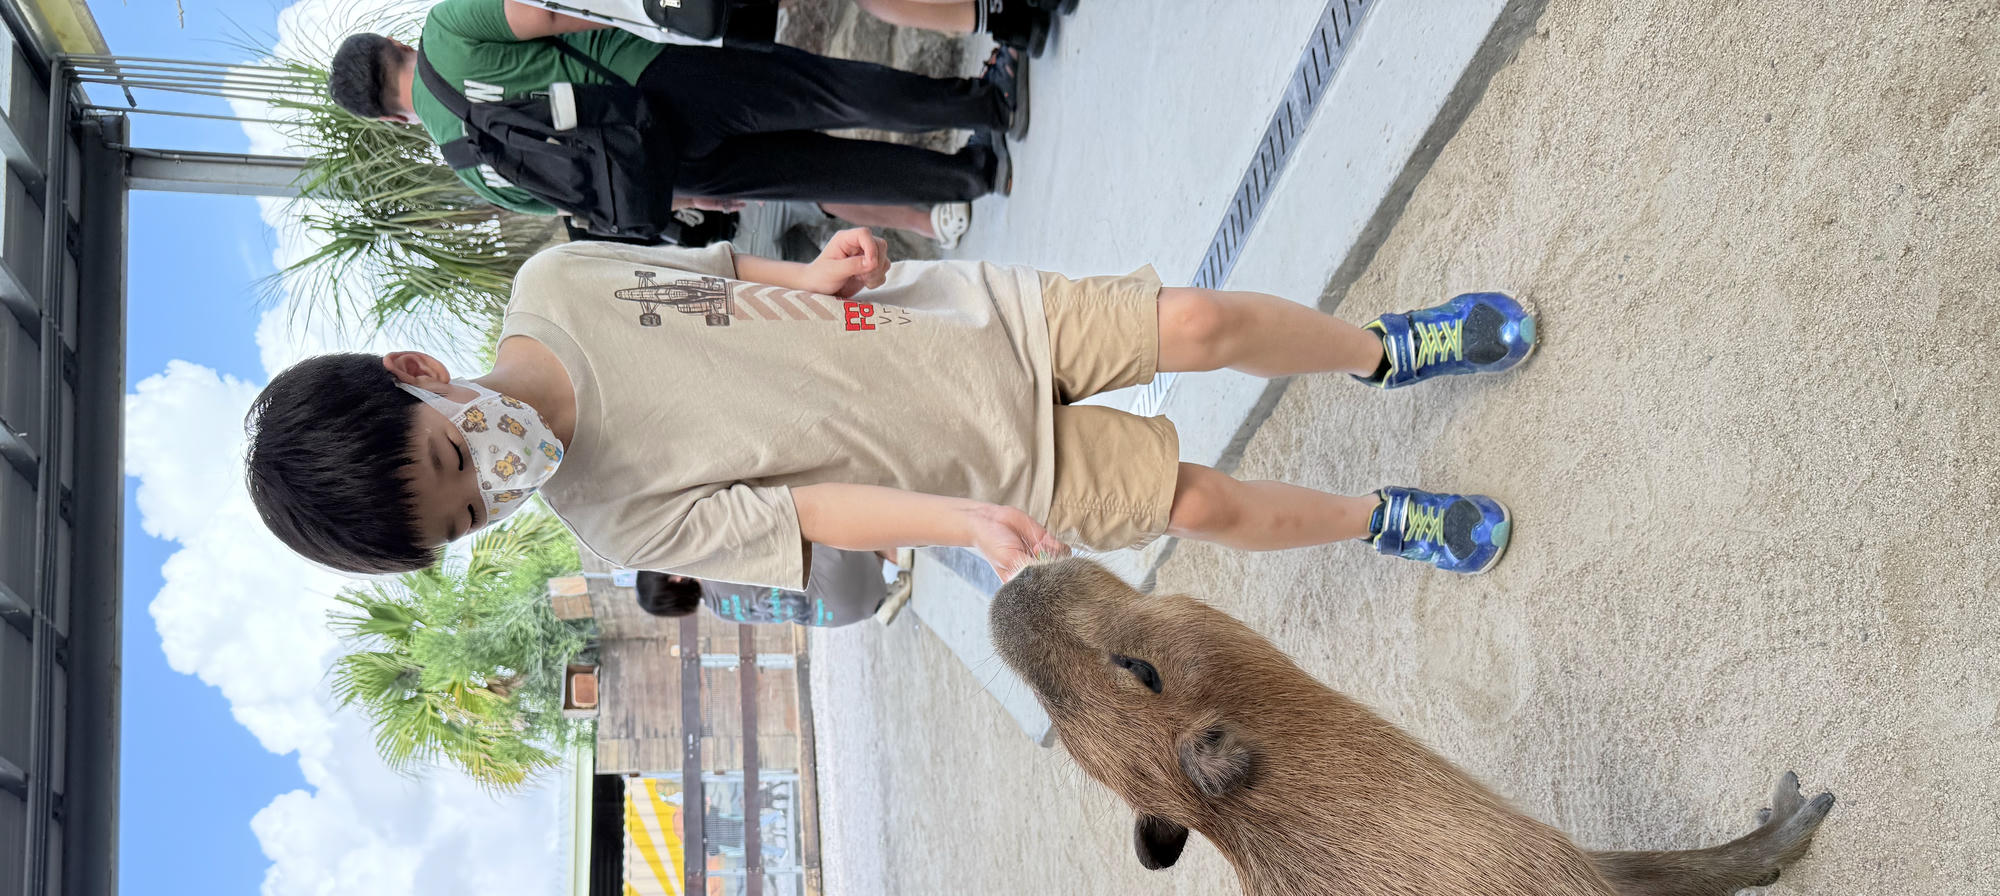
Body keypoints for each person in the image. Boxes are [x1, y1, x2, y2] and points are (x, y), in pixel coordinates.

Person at [243, 229, 1535, 587]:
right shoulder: (619, 523)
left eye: (458, 455)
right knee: (1197, 502)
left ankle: (1381, 350)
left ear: (419, 374)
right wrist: (964, 525)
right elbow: (813, 512)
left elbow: (711, 277)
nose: (502, 481)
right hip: (982, 464)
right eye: (474, 515)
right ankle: (1380, 519)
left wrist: (807, 276)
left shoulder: (557, 276)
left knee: (1191, 323)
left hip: (950, 323)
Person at [326, 0, 1027, 216]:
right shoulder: (448, 28)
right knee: (821, 90)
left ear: (391, 120)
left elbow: (576, 196)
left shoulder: (464, 164)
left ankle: (968, 177)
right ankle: (987, 104)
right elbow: (555, 12)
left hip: (664, 170)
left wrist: (692, 194)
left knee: (823, 171)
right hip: (656, 79)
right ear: (394, 41)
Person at [634, 546, 902, 627]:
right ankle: (890, 550)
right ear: (674, 578)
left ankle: (882, 599)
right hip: (844, 574)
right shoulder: (715, 560)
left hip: (842, 613)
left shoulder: (722, 612)